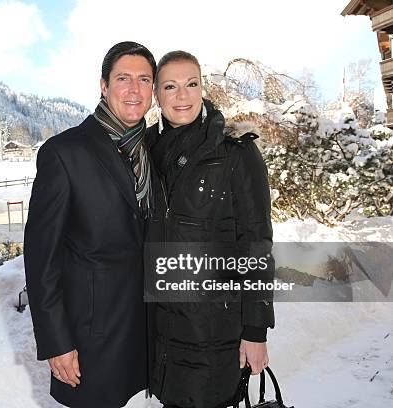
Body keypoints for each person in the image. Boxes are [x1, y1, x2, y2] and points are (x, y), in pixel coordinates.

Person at [24, 41, 157, 408]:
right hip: (92, 338)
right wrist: (57, 342)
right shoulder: (64, 153)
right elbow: (41, 259)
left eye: (144, 79)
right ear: (103, 85)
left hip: (149, 334)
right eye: (123, 78)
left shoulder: (154, 149)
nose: (134, 89)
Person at [146, 51, 275, 408]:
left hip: (215, 333)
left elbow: (257, 245)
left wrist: (255, 331)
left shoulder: (236, 155)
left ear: (203, 88)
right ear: (157, 95)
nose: (182, 96)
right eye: (170, 86)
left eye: (191, 84)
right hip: (163, 334)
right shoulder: (146, 154)